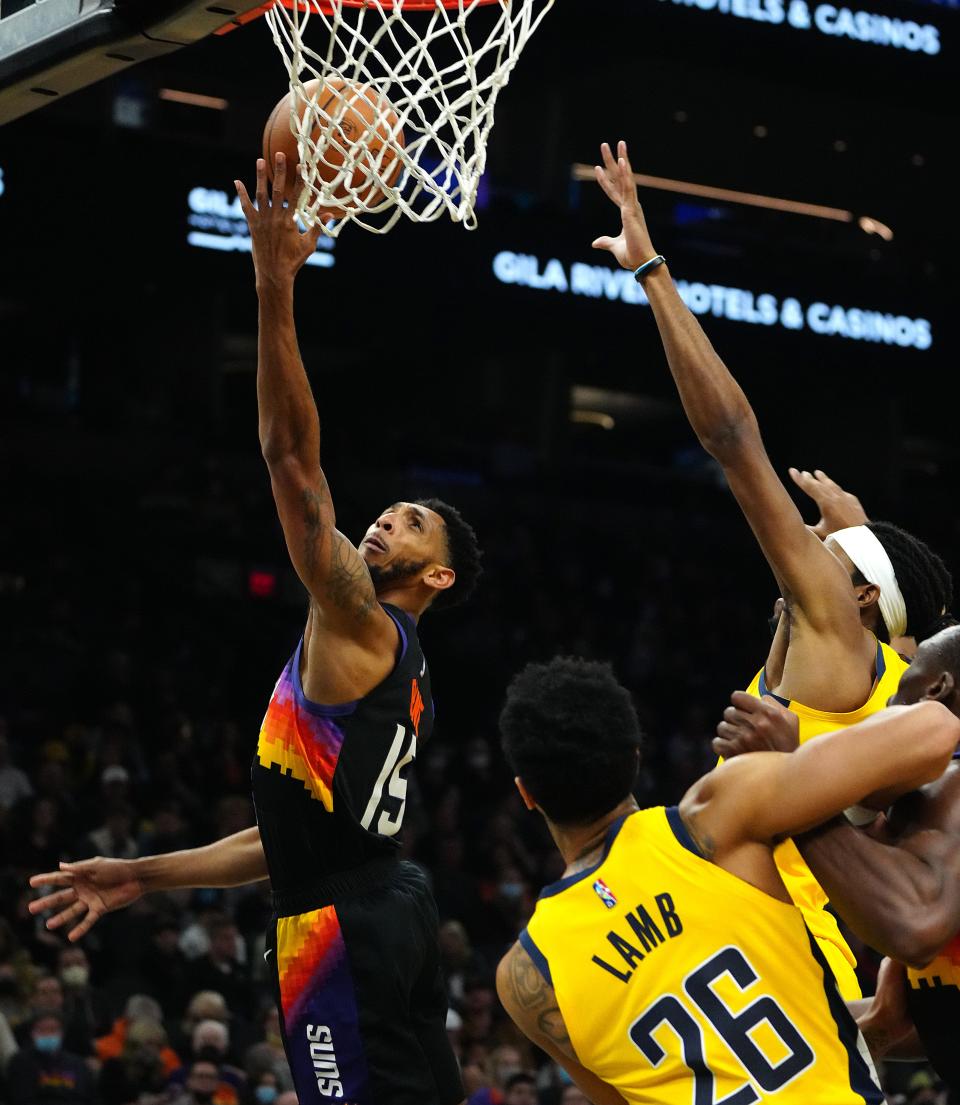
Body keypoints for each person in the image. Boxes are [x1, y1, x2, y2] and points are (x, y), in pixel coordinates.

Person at [28, 153, 482, 1105]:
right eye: (389, 509)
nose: (384, 519)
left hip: (339, 929)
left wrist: (273, 285)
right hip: (382, 900)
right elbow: (285, 842)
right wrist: (145, 876)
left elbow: (289, 456)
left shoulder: (358, 617)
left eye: (410, 521)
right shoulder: (401, 674)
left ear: (435, 574)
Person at [591, 138, 953, 1001]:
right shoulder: (886, 667)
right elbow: (895, 607)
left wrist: (652, 271)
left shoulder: (836, 625)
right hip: (769, 939)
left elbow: (733, 441)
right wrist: (859, 536)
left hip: (777, 943)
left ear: (856, 593)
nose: (800, 548)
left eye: (827, 555)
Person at [495, 655, 960, 1103]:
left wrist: (876, 1026)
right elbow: (937, 727)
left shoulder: (526, 977)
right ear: (635, 756)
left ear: (526, 794)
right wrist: (803, 761)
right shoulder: (715, 817)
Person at [713, 624, 960, 1094]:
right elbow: (927, 1023)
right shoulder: (922, 819)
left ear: (937, 688)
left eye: (904, 678)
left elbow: (914, 924)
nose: (887, 700)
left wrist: (798, 788)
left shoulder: (954, 781)